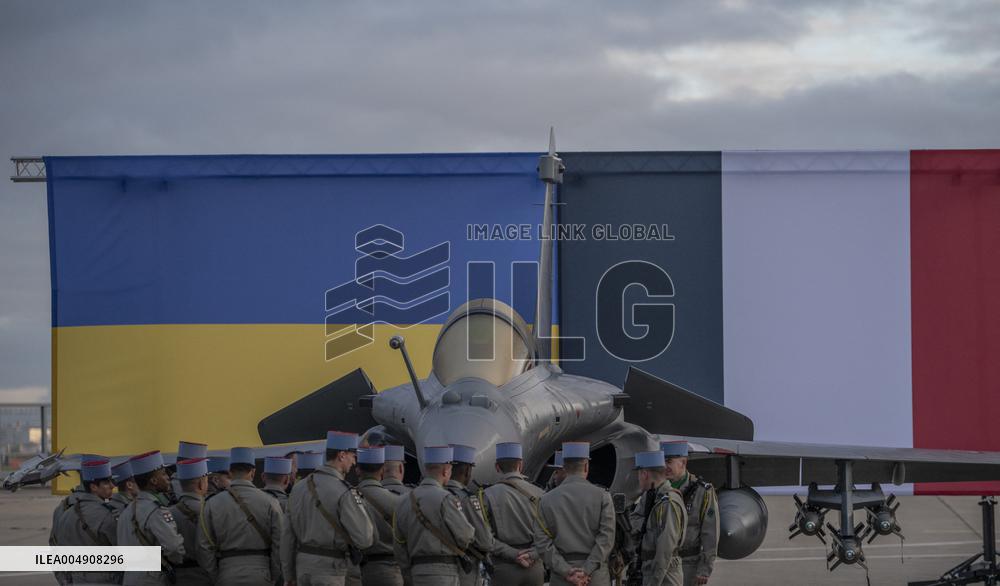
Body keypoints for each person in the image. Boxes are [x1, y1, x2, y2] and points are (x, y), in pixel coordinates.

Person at [282, 431, 375, 586]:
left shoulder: (298, 489)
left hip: (303, 570)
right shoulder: (345, 491)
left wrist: (289, 575)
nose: (354, 462)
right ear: (342, 455)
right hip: (330, 571)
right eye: (353, 456)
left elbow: (287, 538)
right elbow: (365, 539)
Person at [197, 447, 283, 586]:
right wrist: (272, 575)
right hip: (261, 573)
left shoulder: (212, 504)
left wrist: (216, 576)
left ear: (230, 472)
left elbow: (203, 546)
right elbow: (280, 543)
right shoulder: (270, 502)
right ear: (253, 472)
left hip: (227, 572)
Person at [535, 442, 616, 586]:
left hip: (561, 578)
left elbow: (542, 543)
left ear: (564, 467)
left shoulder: (546, 500)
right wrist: (586, 570)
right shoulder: (603, 497)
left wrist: (566, 571)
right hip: (595, 577)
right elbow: (607, 538)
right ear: (586, 466)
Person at [392, 446, 475, 586]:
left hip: (416, 573)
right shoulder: (446, 499)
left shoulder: (403, 500)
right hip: (444, 573)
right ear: (446, 471)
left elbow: (398, 544)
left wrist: (409, 571)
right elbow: (466, 535)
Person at [116, 451, 186, 586]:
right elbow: (173, 547)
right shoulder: (156, 509)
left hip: (130, 577)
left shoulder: (126, 511)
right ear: (153, 481)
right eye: (164, 474)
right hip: (152, 578)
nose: (168, 478)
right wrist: (177, 562)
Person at [482, 442, 544, 585]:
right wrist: (533, 554)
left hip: (503, 567)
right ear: (520, 465)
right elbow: (549, 534)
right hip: (534, 567)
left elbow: (485, 537)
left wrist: (513, 554)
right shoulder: (540, 494)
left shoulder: (486, 495)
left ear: (497, 467)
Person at [50, 459, 119, 585]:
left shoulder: (64, 512)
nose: (112, 485)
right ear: (93, 487)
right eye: (106, 482)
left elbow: (55, 549)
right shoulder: (106, 514)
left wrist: (64, 580)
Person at [660, 441, 719, 586]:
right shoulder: (656, 490)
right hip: (660, 564)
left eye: (669, 461)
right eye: (662, 461)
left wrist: (705, 568)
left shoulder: (702, 492)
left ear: (683, 462)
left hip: (688, 565)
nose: (664, 466)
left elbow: (710, 532)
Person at [630, 451, 686, 586]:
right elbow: (635, 522)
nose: (638, 478)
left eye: (639, 474)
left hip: (664, 576)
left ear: (645, 474)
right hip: (650, 569)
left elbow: (665, 550)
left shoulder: (668, 502)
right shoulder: (651, 498)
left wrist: (654, 582)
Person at [354, 445, 404, 586]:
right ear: (382, 470)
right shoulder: (397, 500)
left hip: (357, 571)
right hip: (391, 570)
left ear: (357, 470)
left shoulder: (348, 498)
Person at [446, 444, 494, 586]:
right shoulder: (467, 499)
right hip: (464, 570)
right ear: (467, 471)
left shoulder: (429, 496)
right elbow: (485, 541)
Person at [168, 458, 213, 586]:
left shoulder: (168, 512)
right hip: (207, 575)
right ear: (200, 484)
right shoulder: (211, 510)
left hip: (179, 576)